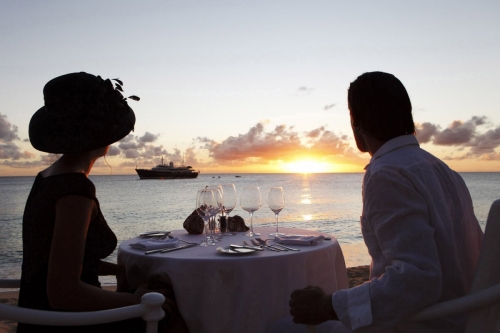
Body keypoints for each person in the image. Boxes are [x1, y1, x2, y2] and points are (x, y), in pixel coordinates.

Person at [269, 71, 483, 333]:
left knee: (278, 327)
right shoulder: (444, 171)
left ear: (356, 121)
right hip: (462, 318)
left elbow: (417, 280)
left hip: (416, 324)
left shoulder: (387, 173)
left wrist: (329, 305)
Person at [17, 72, 186, 333]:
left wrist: (119, 271)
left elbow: (58, 262)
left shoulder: (46, 178)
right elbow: (64, 293)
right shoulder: (75, 190)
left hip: (38, 318)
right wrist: (136, 301)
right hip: (71, 322)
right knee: (179, 309)